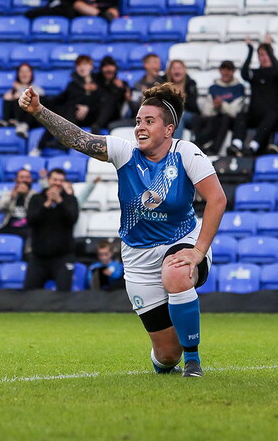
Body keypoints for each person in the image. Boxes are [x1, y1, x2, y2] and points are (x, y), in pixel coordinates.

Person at [19, 82, 227, 378]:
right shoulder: (124, 153)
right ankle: (171, 359)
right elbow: (79, 138)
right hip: (138, 257)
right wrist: (39, 111)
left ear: (169, 130)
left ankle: (193, 361)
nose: (140, 127)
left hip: (181, 240)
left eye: (149, 121)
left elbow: (217, 199)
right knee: (168, 355)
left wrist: (197, 251)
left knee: (177, 270)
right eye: (138, 121)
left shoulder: (186, 153)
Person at [24, 168, 80, 291]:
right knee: (28, 293)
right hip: (39, 257)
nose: (58, 183)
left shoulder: (70, 199)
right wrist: (47, 205)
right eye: (55, 180)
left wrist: (60, 202)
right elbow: (31, 220)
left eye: (61, 180)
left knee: (64, 293)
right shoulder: (37, 198)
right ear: (49, 180)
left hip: (63, 256)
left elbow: (72, 219)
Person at [228, 38, 278, 156]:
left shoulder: (276, 73)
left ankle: (253, 146)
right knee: (241, 115)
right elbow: (244, 73)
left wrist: (269, 50)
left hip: (270, 116)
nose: (263, 57)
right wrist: (250, 51)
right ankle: (236, 144)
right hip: (255, 114)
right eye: (260, 55)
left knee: (272, 115)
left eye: (264, 54)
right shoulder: (256, 72)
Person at [198, 60, 246, 155]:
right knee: (199, 119)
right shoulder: (213, 88)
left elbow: (235, 111)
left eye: (229, 70)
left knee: (226, 119)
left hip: (233, 121)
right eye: (223, 70)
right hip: (215, 118)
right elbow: (206, 111)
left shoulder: (239, 88)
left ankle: (214, 149)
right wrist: (215, 106)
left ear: (233, 72)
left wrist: (221, 105)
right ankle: (199, 144)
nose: (226, 73)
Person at [0, 168, 35, 240]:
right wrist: (11, 198)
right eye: (21, 177)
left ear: (31, 180)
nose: (24, 180)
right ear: (16, 180)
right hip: (9, 227)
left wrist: (26, 196)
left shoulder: (35, 195)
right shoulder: (8, 194)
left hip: (27, 228)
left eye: (27, 177)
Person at [0, 62, 44, 139]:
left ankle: (21, 123)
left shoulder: (37, 89)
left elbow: (40, 97)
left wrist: (20, 89)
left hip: (32, 120)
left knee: (21, 96)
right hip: (16, 117)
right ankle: (7, 121)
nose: (24, 74)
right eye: (22, 72)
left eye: (27, 71)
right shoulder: (13, 91)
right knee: (8, 96)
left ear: (31, 74)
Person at [162, 60, 200, 140]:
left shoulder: (191, 84)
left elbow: (194, 106)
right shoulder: (163, 84)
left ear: (184, 70)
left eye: (179, 68)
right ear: (169, 71)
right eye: (174, 68)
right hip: (168, 115)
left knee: (180, 115)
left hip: (189, 115)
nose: (177, 70)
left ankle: (175, 145)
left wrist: (182, 96)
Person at [94, 56, 132, 128]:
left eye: (111, 65)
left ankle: (97, 126)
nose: (108, 69)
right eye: (105, 66)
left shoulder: (122, 84)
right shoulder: (95, 82)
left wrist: (121, 89)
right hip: (96, 114)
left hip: (115, 116)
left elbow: (126, 102)